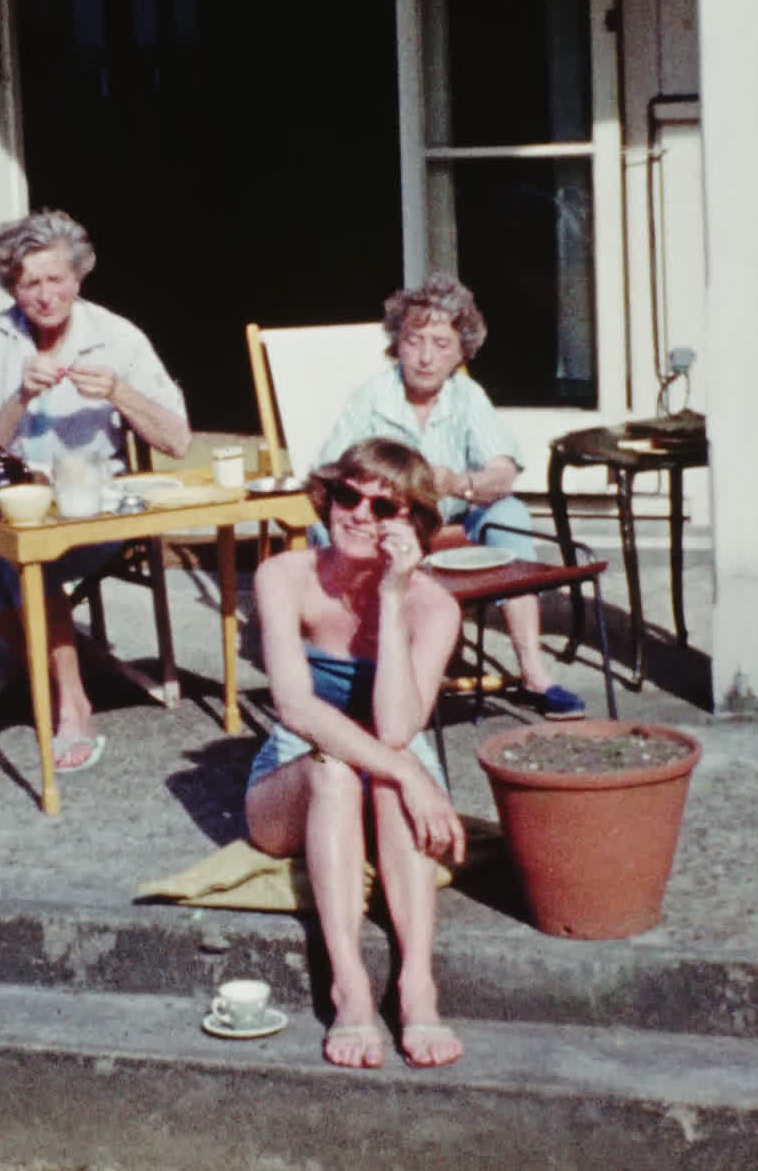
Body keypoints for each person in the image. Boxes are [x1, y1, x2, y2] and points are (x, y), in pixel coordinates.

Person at [248, 436, 466, 1070]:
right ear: (328, 496)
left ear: (415, 526)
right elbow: (295, 707)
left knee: (389, 772)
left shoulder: (432, 606)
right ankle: (349, 985)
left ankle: (418, 983)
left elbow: (397, 726)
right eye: (349, 495)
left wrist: (392, 599)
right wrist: (405, 770)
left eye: (384, 507)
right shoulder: (285, 576)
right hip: (298, 775)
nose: (360, 516)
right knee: (343, 769)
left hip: (386, 777)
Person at [0, 209, 192, 773]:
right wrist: (19, 399)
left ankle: (69, 697)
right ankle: (72, 687)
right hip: (15, 505)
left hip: (93, 513)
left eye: (56, 278)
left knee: (9, 559)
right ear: (13, 287)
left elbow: (177, 440)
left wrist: (121, 392)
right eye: (29, 282)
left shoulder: (116, 335)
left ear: (78, 277)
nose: (45, 294)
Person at [317, 275, 584, 720]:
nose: (424, 357)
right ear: (396, 344)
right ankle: (354, 666)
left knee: (511, 513)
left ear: (462, 352)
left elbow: (501, 472)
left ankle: (534, 672)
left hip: (454, 517)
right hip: (390, 519)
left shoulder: (467, 396)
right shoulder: (370, 399)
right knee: (330, 525)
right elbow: (333, 473)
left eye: (441, 344)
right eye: (413, 340)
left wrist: (457, 482)